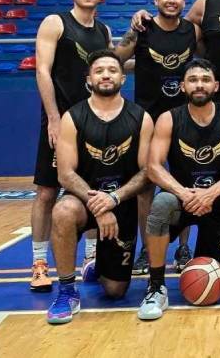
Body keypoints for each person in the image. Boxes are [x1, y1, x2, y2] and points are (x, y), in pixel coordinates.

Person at [138, 59, 220, 320]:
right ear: (182, 87)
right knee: (162, 203)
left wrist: (212, 193)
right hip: (184, 202)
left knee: (214, 282)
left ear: (216, 85)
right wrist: (184, 193)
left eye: (205, 79)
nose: (199, 84)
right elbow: (153, 167)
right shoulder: (168, 119)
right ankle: (156, 287)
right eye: (193, 80)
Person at [46, 50, 153, 324]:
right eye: (99, 70)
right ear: (89, 79)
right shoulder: (73, 117)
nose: (106, 75)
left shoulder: (140, 117)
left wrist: (114, 199)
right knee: (63, 211)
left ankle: (101, 265)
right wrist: (98, 204)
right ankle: (67, 291)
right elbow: (66, 174)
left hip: (122, 202)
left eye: (112, 70)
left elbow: (146, 172)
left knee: (115, 291)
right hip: (84, 199)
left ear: (123, 77)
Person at [31, 0, 111, 292]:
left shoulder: (103, 32)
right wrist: (53, 117)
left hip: (91, 125)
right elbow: (42, 70)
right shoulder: (55, 23)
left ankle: (91, 258)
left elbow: (112, 67)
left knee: (91, 189)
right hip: (60, 124)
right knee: (48, 192)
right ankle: (39, 264)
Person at [115, 0, 198, 275]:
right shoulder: (141, 29)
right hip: (147, 120)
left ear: (184, 1)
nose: (172, 0)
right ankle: (148, 248)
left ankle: (184, 247)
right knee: (145, 186)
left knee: (185, 183)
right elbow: (114, 61)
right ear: (155, 0)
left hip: (183, 119)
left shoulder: (192, 31)